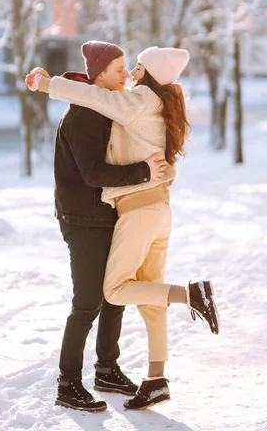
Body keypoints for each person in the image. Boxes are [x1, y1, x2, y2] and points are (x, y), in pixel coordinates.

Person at [26, 44, 220, 410]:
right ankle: (100, 380)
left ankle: (116, 366)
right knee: (118, 297)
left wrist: (48, 84)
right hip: (118, 213)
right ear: (99, 74)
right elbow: (96, 169)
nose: (128, 74)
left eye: (132, 67)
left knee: (117, 293)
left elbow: (94, 100)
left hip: (137, 211)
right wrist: (152, 173)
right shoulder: (133, 105)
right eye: (120, 67)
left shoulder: (135, 102)